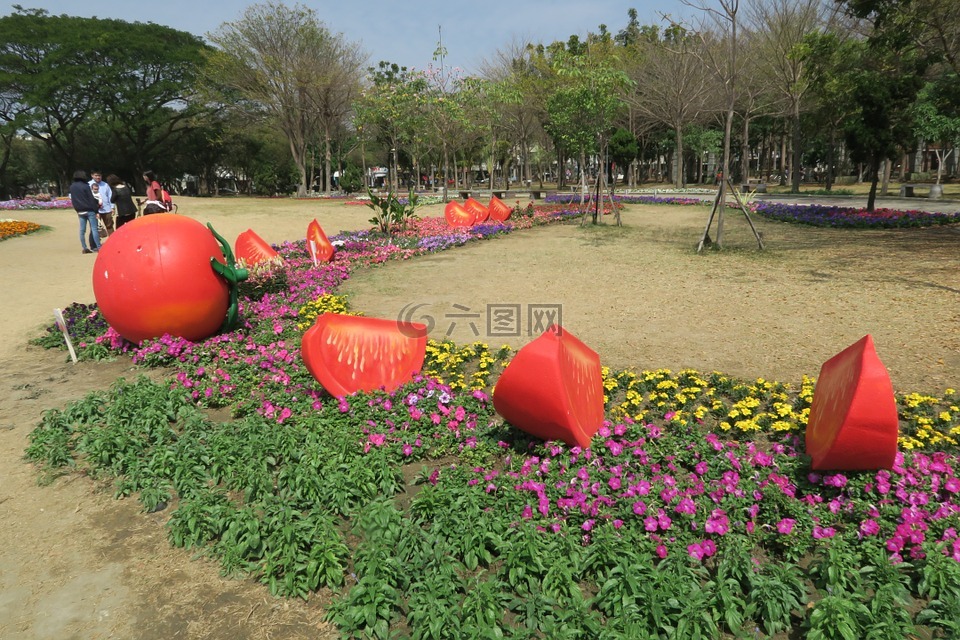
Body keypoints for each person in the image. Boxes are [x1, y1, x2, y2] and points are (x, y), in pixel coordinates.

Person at [69, 170, 101, 254]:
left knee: (82, 230)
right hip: (89, 210)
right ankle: (99, 247)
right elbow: (91, 199)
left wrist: (77, 209)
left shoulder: (72, 186)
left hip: (80, 210)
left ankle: (84, 247)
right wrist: (96, 211)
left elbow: (73, 199)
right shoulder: (85, 186)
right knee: (94, 228)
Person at [89, 170, 114, 236]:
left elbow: (110, 196)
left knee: (109, 226)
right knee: (95, 228)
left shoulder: (105, 185)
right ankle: (96, 244)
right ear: (92, 175)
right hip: (94, 210)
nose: (98, 177)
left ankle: (113, 242)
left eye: (99, 175)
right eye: (96, 175)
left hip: (106, 209)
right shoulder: (88, 185)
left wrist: (112, 207)